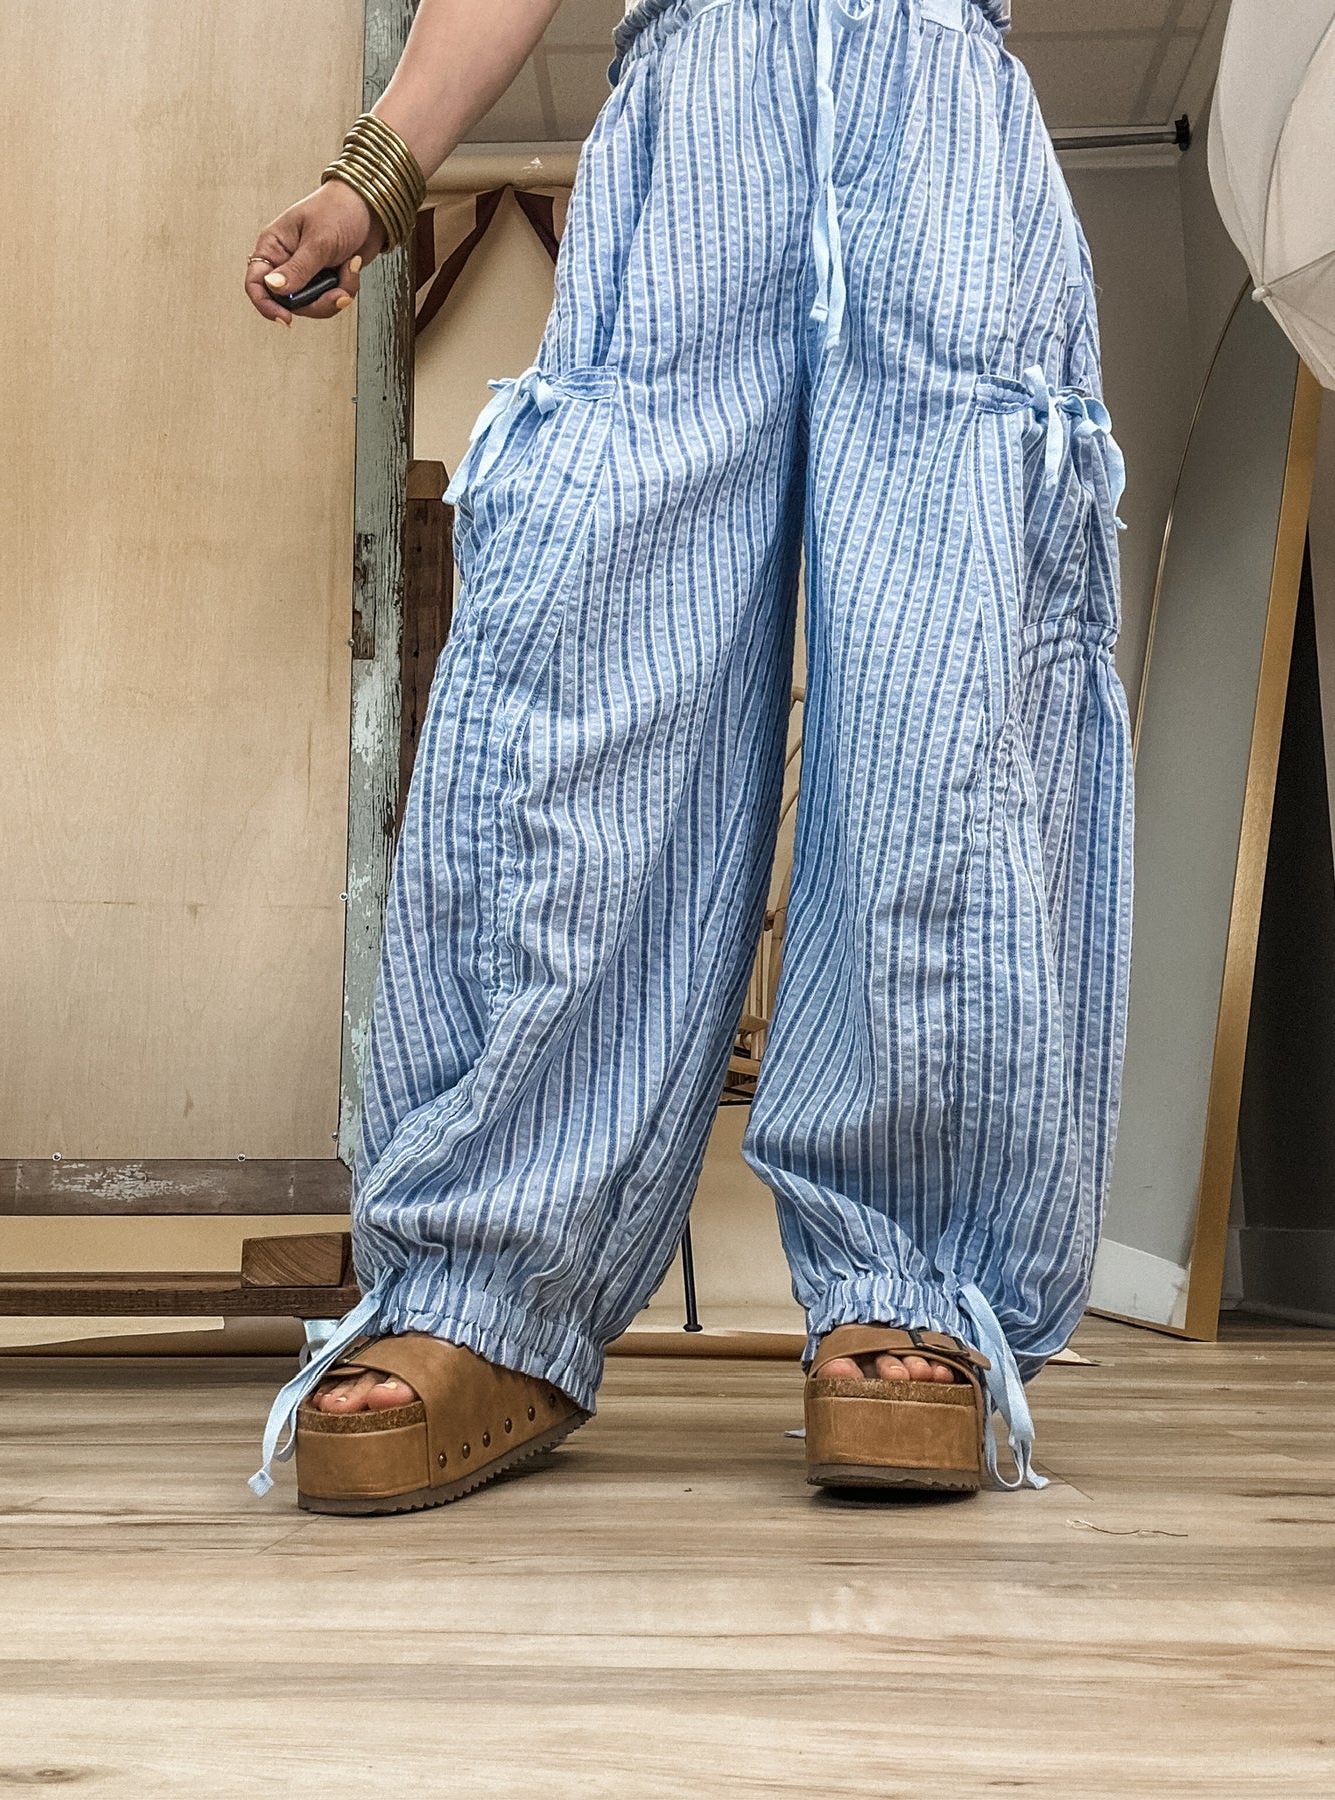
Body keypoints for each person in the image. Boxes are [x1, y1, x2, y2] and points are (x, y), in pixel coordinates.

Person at [245, 0, 1132, 1512]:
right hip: (690, 125)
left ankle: (913, 1276)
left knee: (942, 726)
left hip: (942, 127)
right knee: (582, 705)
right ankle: (484, 1279)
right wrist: (378, 173)